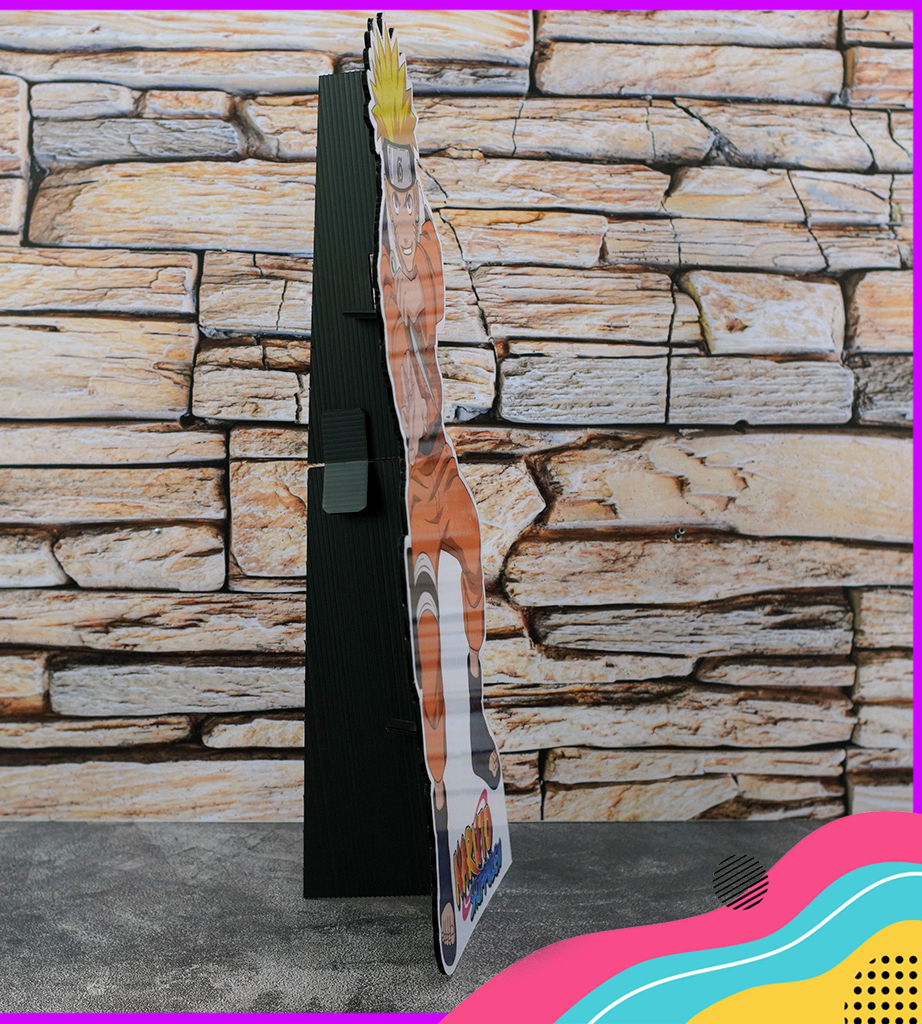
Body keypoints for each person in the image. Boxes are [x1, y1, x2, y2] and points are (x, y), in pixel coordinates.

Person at [367, 16, 501, 967]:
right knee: (438, 671)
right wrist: (393, 146)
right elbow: (401, 239)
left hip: (442, 480)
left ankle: (471, 839)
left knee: (465, 662)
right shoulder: (399, 278)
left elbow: (413, 242)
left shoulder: (425, 273)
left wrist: (401, 143)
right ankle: (455, 850)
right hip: (422, 487)